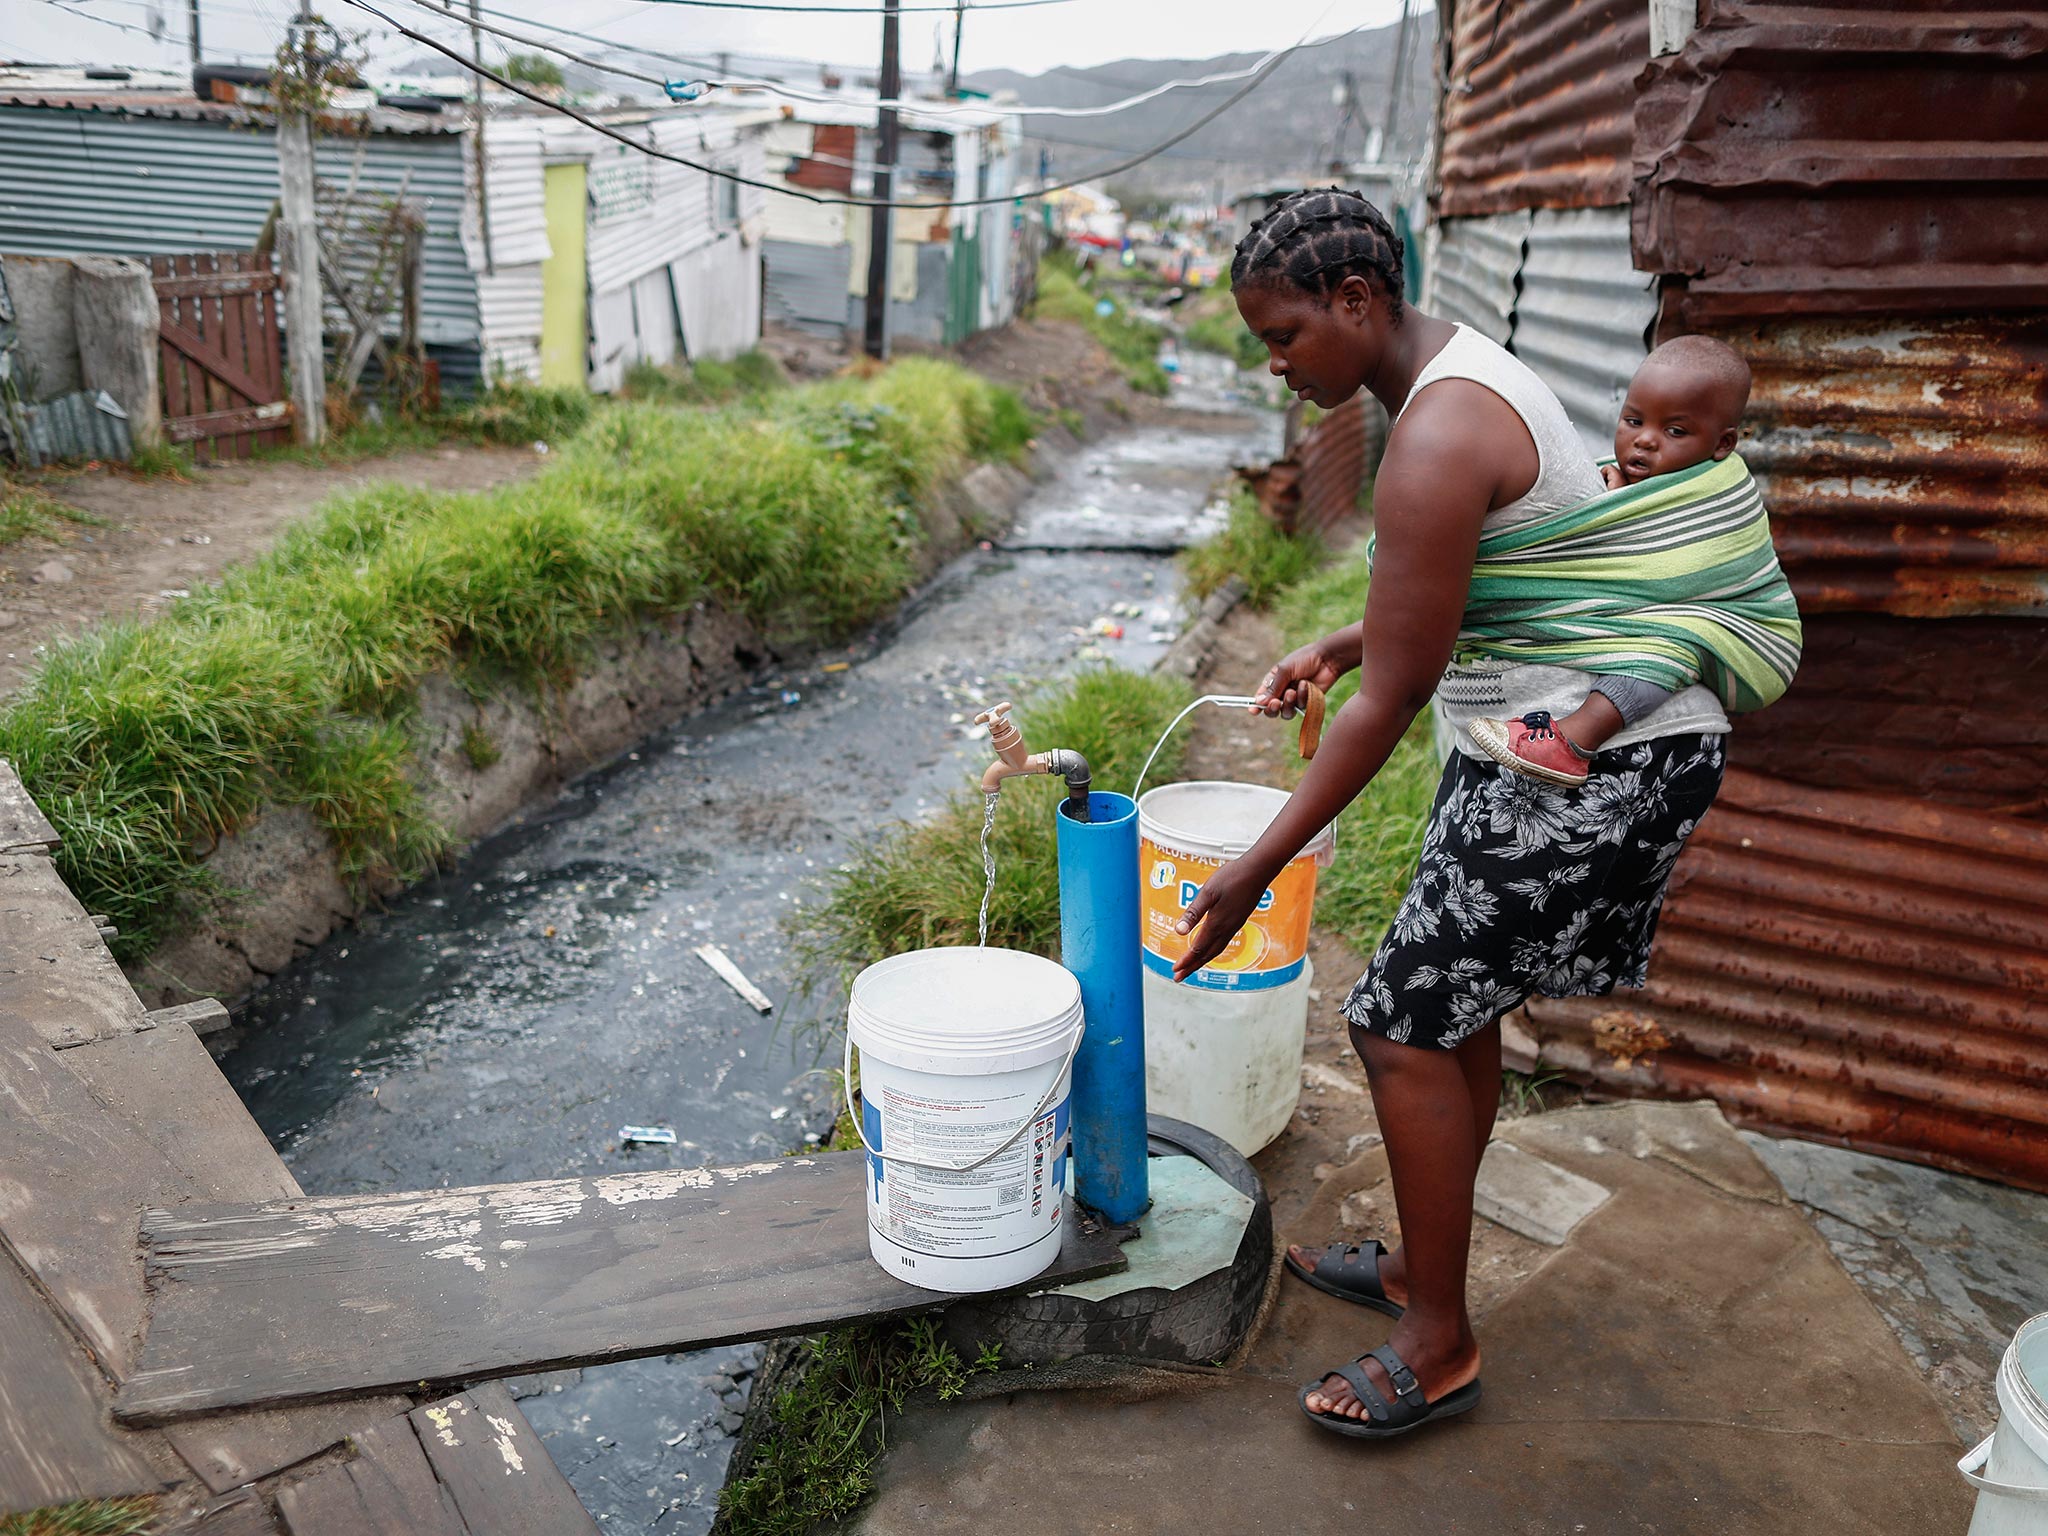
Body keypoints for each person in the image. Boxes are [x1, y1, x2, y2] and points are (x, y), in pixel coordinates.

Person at [1172, 187, 1731, 1441]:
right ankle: (1426, 1275)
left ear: (1356, 303)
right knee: (1445, 1008)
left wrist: (1258, 864)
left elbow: (1395, 693)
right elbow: (1458, 585)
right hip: (1536, 739)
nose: (1274, 367)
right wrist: (1332, 638)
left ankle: (1439, 1343)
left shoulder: (1434, 433)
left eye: (1282, 337)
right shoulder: (1446, 383)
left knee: (1398, 1027)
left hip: (1597, 756)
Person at [1466, 337, 1780, 786]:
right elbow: (1607, 555)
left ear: (1721, 444)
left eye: (1674, 432)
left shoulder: (1719, 496)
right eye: (1632, 421)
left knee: (1664, 649)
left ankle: (1573, 742)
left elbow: (1684, 570)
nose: (1644, 441)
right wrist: (1611, 506)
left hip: (1743, 631)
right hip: (1676, 617)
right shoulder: (1611, 481)